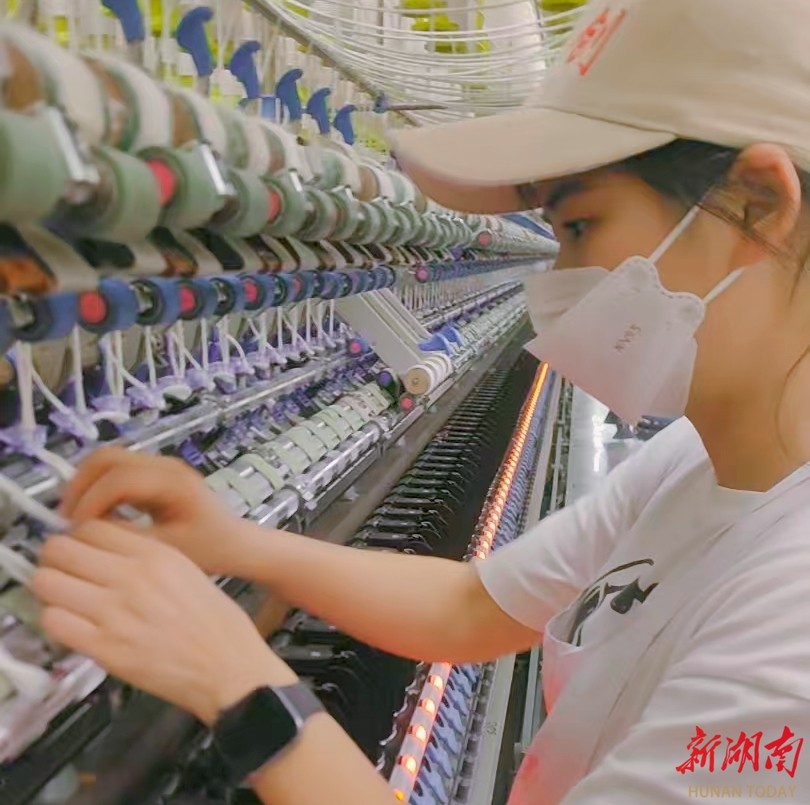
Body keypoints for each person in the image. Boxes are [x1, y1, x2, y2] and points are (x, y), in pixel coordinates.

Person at [29, 0, 810, 802]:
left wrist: (239, 685)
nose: (555, 279)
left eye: (579, 225)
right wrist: (231, 540)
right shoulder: (695, 463)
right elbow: (471, 606)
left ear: (756, 204)